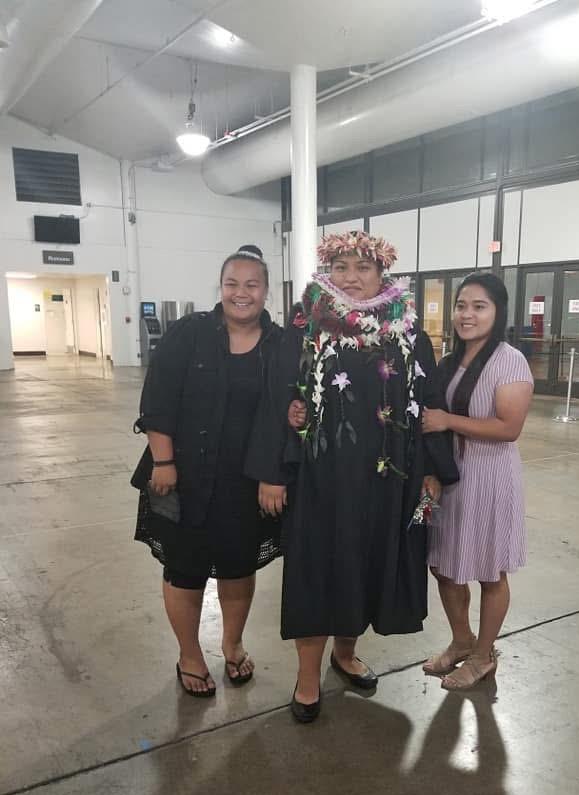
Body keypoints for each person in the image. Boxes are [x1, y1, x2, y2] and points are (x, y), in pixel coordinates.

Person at [247, 230, 457, 722]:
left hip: (388, 481)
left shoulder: (409, 336)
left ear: (382, 274)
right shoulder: (306, 332)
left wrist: (432, 471)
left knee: (364, 566)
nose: (351, 277)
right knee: (317, 571)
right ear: (326, 273)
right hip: (321, 481)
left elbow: (428, 406)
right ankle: (306, 676)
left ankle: (344, 654)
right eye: (340, 267)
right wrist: (274, 472)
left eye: (362, 267)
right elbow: (280, 402)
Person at [131, 246, 282, 697]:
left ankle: (232, 644)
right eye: (232, 283)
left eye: (251, 284)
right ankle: (189, 654)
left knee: (238, 567)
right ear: (221, 288)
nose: (241, 293)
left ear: (266, 291)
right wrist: (163, 460)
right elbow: (157, 400)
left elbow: (283, 409)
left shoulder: (278, 344)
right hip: (180, 475)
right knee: (184, 567)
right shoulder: (189, 334)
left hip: (245, 481)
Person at [421, 272, 533, 690]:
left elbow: (509, 427)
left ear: (498, 311)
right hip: (447, 479)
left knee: (488, 569)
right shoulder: (449, 361)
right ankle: (461, 641)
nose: (467, 314)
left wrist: (448, 420)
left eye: (479, 306)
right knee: (443, 566)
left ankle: (484, 655)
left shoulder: (509, 360)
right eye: (461, 305)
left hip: (489, 477)